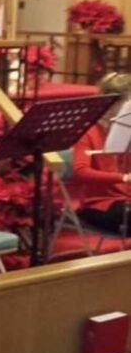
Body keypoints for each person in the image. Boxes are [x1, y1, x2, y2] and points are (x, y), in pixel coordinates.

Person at [70, 72, 131, 235]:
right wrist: (124, 177)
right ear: (111, 103)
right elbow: (80, 171)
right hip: (99, 204)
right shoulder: (89, 132)